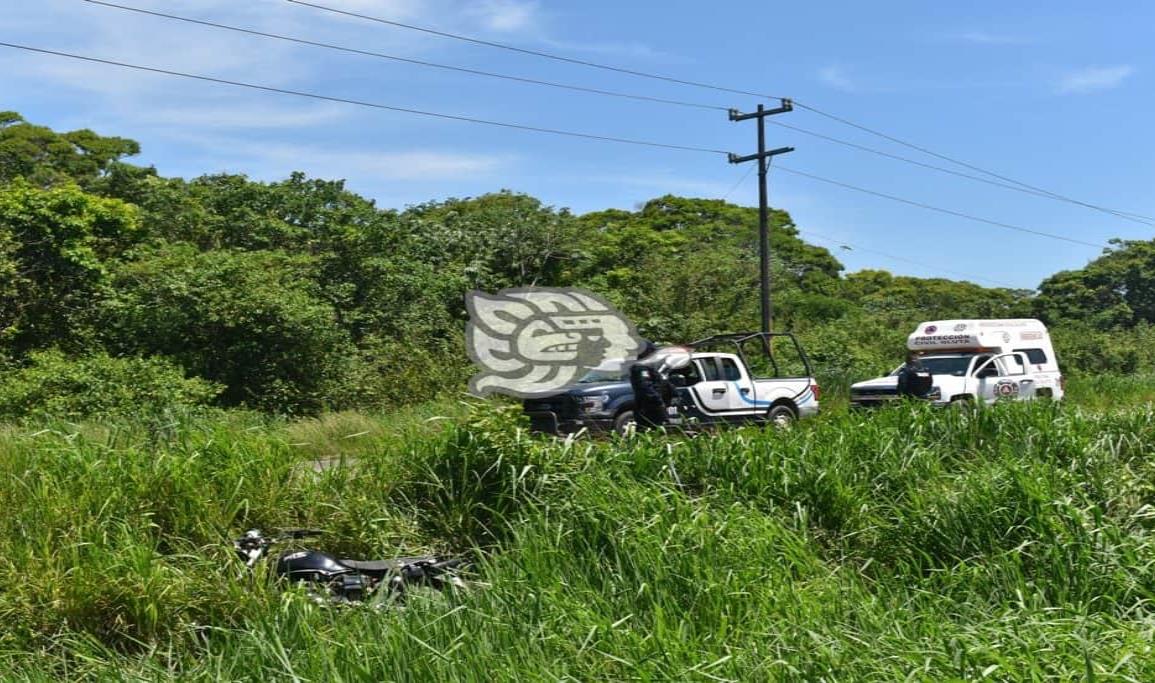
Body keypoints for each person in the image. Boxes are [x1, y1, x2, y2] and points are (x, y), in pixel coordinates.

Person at [629, 343, 670, 431]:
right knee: (650, 430)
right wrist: (658, 400)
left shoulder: (648, 366)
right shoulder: (641, 367)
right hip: (649, 406)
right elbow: (645, 386)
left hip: (651, 405)